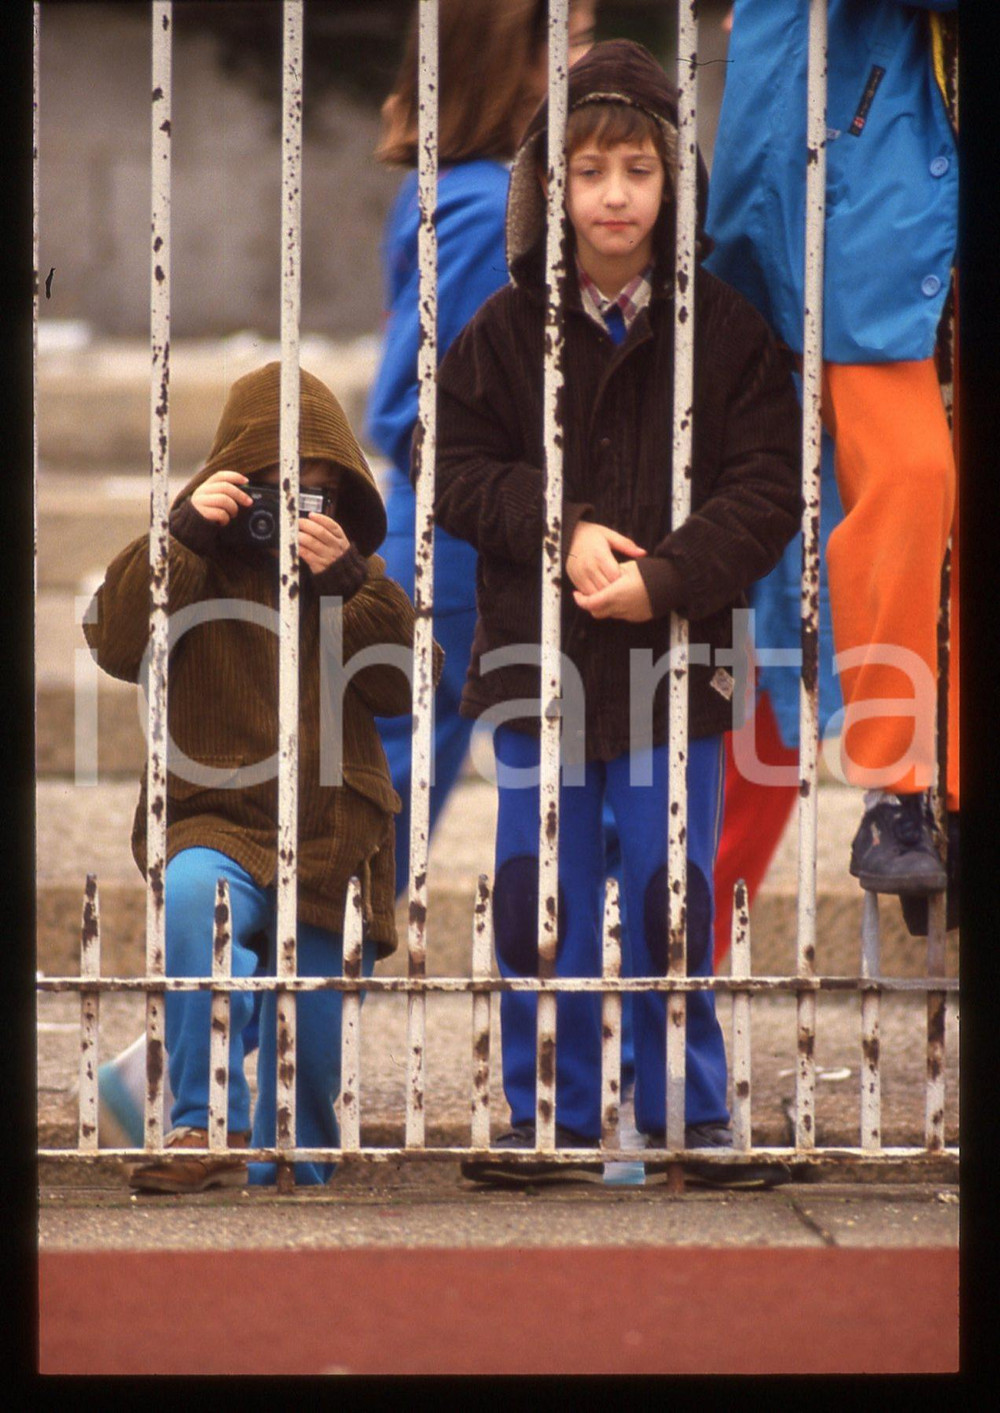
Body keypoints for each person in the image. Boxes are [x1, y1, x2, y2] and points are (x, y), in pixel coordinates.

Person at [95, 0, 599, 1153]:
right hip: (466, 544)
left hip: (462, 535)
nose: (583, 54)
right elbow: (451, 401)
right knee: (370, 811)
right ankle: (203, 1066)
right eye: (562, 36)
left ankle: (208, 1062)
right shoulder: (481, 204)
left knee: (386, 807)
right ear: (505, 57)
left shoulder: (461, 190)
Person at [431, 39, 802, 1186]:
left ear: (671, 184)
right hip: (538, 662)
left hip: (672, 663)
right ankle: (553, 1114)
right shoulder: (503, 329)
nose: (612, 195)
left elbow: (766, 486)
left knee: (666, 890)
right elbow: (451, 466)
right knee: (536, 890)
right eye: (589, 171)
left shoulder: (727, 331)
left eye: (637, 170)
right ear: (554, 185)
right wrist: (568, 527)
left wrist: (671, 575)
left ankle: (686, 1112)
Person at [84, 363, 437, 1191]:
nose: (287, 510)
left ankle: (296, 1149)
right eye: (271, 488)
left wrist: (350, 583)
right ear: (228, 481)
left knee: (311, 1062)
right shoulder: (189, 556)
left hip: (331, 828)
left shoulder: (352, 578)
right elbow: (114, 643)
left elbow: (409, 686)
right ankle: (192, 1126)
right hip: (211, 811)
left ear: (342, 501)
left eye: (312, 493)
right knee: (191, 903)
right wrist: (183, 537)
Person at [705, 1, 960, 931]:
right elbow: (764, 126)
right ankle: (900, 789)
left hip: (882, 247)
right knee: (910, 482)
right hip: (869, 257)